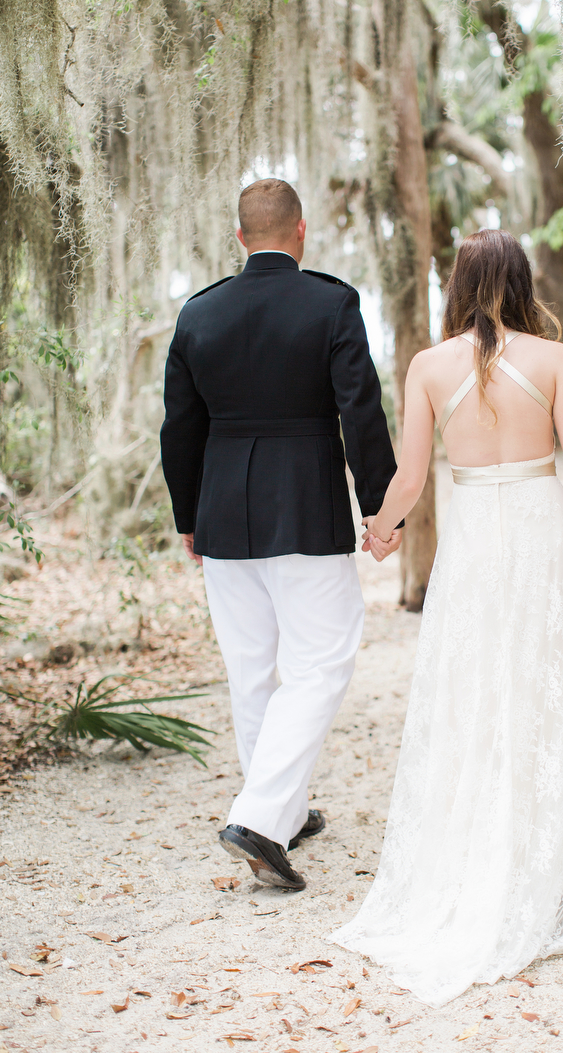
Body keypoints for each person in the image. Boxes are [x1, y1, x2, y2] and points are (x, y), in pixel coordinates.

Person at [333, 229, 563, 1006]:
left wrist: (379, 531)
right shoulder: (554, 361)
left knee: (473, 697)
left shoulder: (428, 366)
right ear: (522, 281)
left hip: (474, 544)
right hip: (542, 537)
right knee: (541, 698)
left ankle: (474, 861)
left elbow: (410, 476)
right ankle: (536, 872)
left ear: (459, 284)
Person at [160, 178, 401, 892]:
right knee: (322, 661)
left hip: (223, 511)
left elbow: (180, 427)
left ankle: (282, 813)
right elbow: (360, 408)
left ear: (241, 237)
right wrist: (380, 506)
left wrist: (187, 514)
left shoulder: (198, 314)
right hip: (305, 502)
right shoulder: (331, 302)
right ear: (302, 230)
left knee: (250, 667)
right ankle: (261, 817)